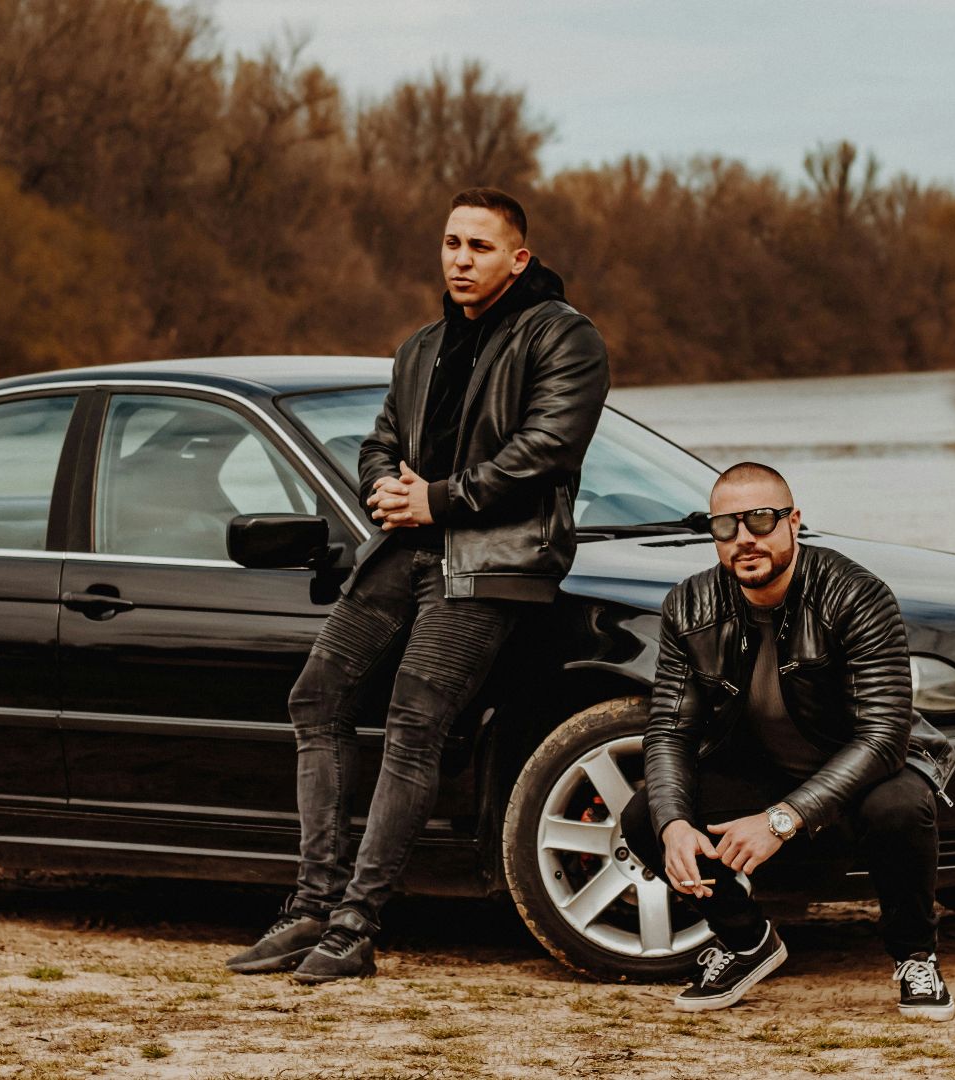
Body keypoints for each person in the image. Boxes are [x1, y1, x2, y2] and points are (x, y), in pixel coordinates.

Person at [227, 187, 610, 982]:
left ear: (518, 258)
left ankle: (356, 928)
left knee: (413, 720)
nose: (461, 259)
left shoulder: (564, 338)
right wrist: (383, 488)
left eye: (479, 246)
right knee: (317, 697)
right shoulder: (423, 346)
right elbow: (379, 441)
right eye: (450, 244)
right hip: (405, 554)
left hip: (494, 561)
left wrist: (437, 497)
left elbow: (546, 449)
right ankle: (309, 910)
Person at [619, 462, 955, 1019]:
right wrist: (674, 823)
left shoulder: (856, 596)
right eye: (726, 525)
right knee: (646, 815)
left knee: (902, 805)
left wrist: (783, 818)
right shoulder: (690, 604)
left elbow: (883, 735)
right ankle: (747, 942)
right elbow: (670, 731)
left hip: (859, 772)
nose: (744, 538)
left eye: (760, 519)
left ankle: (914, 956)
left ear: (794, 522)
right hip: (762, 768)